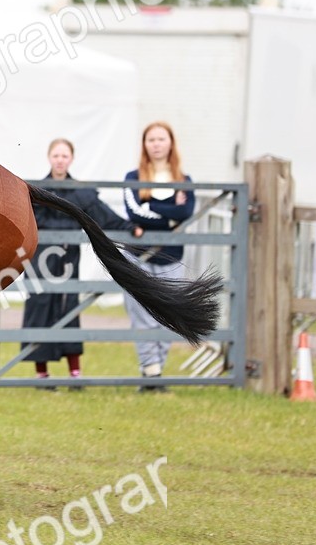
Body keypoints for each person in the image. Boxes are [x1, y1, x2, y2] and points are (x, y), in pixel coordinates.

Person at [22, 139, 142, 389]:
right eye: (56, 155)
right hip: (40, 261)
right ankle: (41, 375)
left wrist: (131, 228)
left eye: (65, 155)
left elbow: (104, 216)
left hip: (67, 260)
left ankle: (74, 373)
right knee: (39, 308)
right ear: (49, 157)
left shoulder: (81, 193)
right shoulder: (36, 192)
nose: (60, 160)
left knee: (69, 310)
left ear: (71, 159)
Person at [123, 121, 195, 392]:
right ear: (144, 144)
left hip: (172, 257)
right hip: (138, 258)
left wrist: (150, 204)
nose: (156, 144)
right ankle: (150, 374)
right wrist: (168, 213)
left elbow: (186, 213)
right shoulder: (132, 177)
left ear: (170, 143)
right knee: (142, 315)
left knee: (168, 316)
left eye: (161, 139)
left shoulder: (184, 181)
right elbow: (133, 212)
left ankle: (157, 370)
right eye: (150, 139)